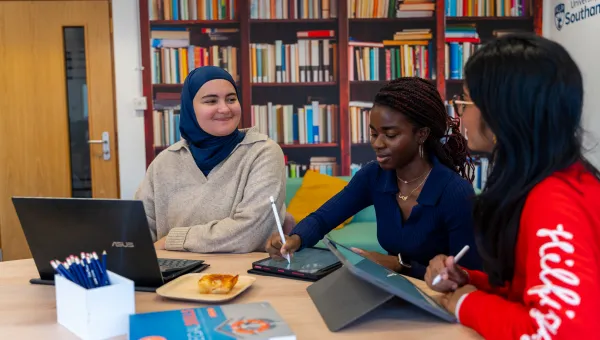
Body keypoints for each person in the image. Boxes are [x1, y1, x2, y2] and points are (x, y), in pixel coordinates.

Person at [424, 34, 600, 339]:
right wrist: (469, 280)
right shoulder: (555, 180)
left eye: (465, 100)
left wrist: (466, 303)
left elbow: (562, 332)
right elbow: (535, 288)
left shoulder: (554, 199)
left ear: (501, 114)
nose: (461, 114)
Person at [265, 77, 483, 279]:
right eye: (373, 133)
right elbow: (324, 218)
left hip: (440, 302)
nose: (377, 144)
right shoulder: (374, 176)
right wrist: (295, 239)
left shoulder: (455, 192)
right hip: (392, 292)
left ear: (422, 135)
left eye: (390, 135)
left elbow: (468, 274)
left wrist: (400, 265)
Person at [135, 66, 288, 253]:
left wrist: (173, 240)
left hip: (244, 276)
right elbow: (138, 234)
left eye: (231, 99)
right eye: (211, 101)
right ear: (190, 108)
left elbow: (250, 232)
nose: (224, 108)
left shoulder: (263, 152)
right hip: (176, 276)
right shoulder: (164, 162)